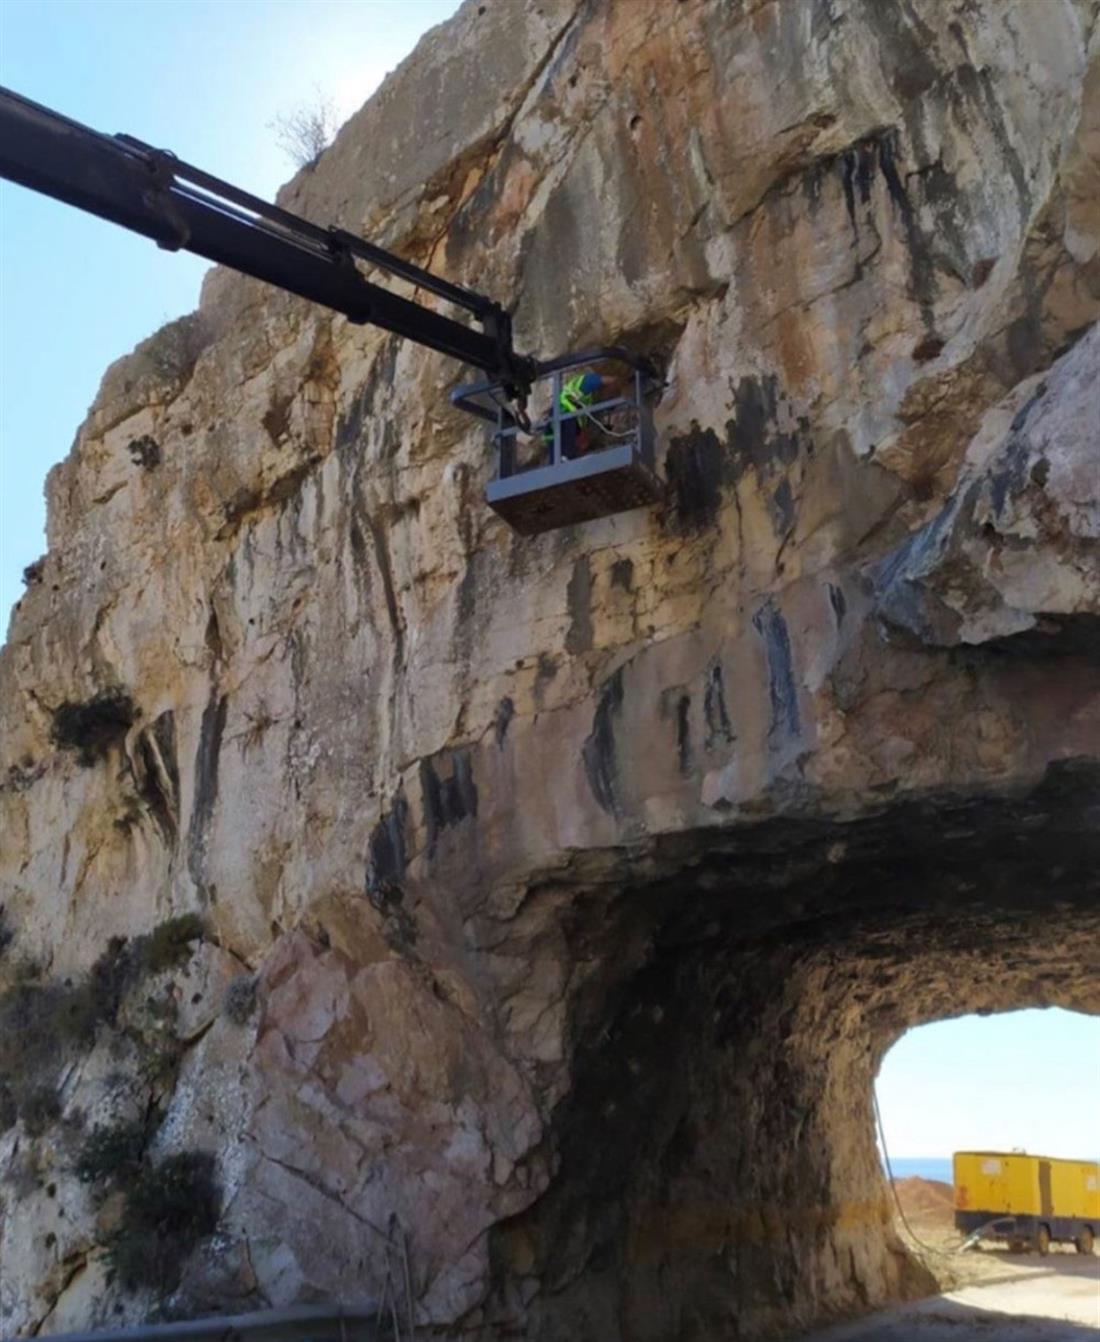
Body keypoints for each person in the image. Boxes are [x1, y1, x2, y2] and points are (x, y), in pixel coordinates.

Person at [545, 370, 624, 459]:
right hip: (562, 415)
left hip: (564, 422)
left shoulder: (588, 406)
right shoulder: (585, 385)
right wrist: (619, 383)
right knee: (564, 452)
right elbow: (610, 380)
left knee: (564, 452)